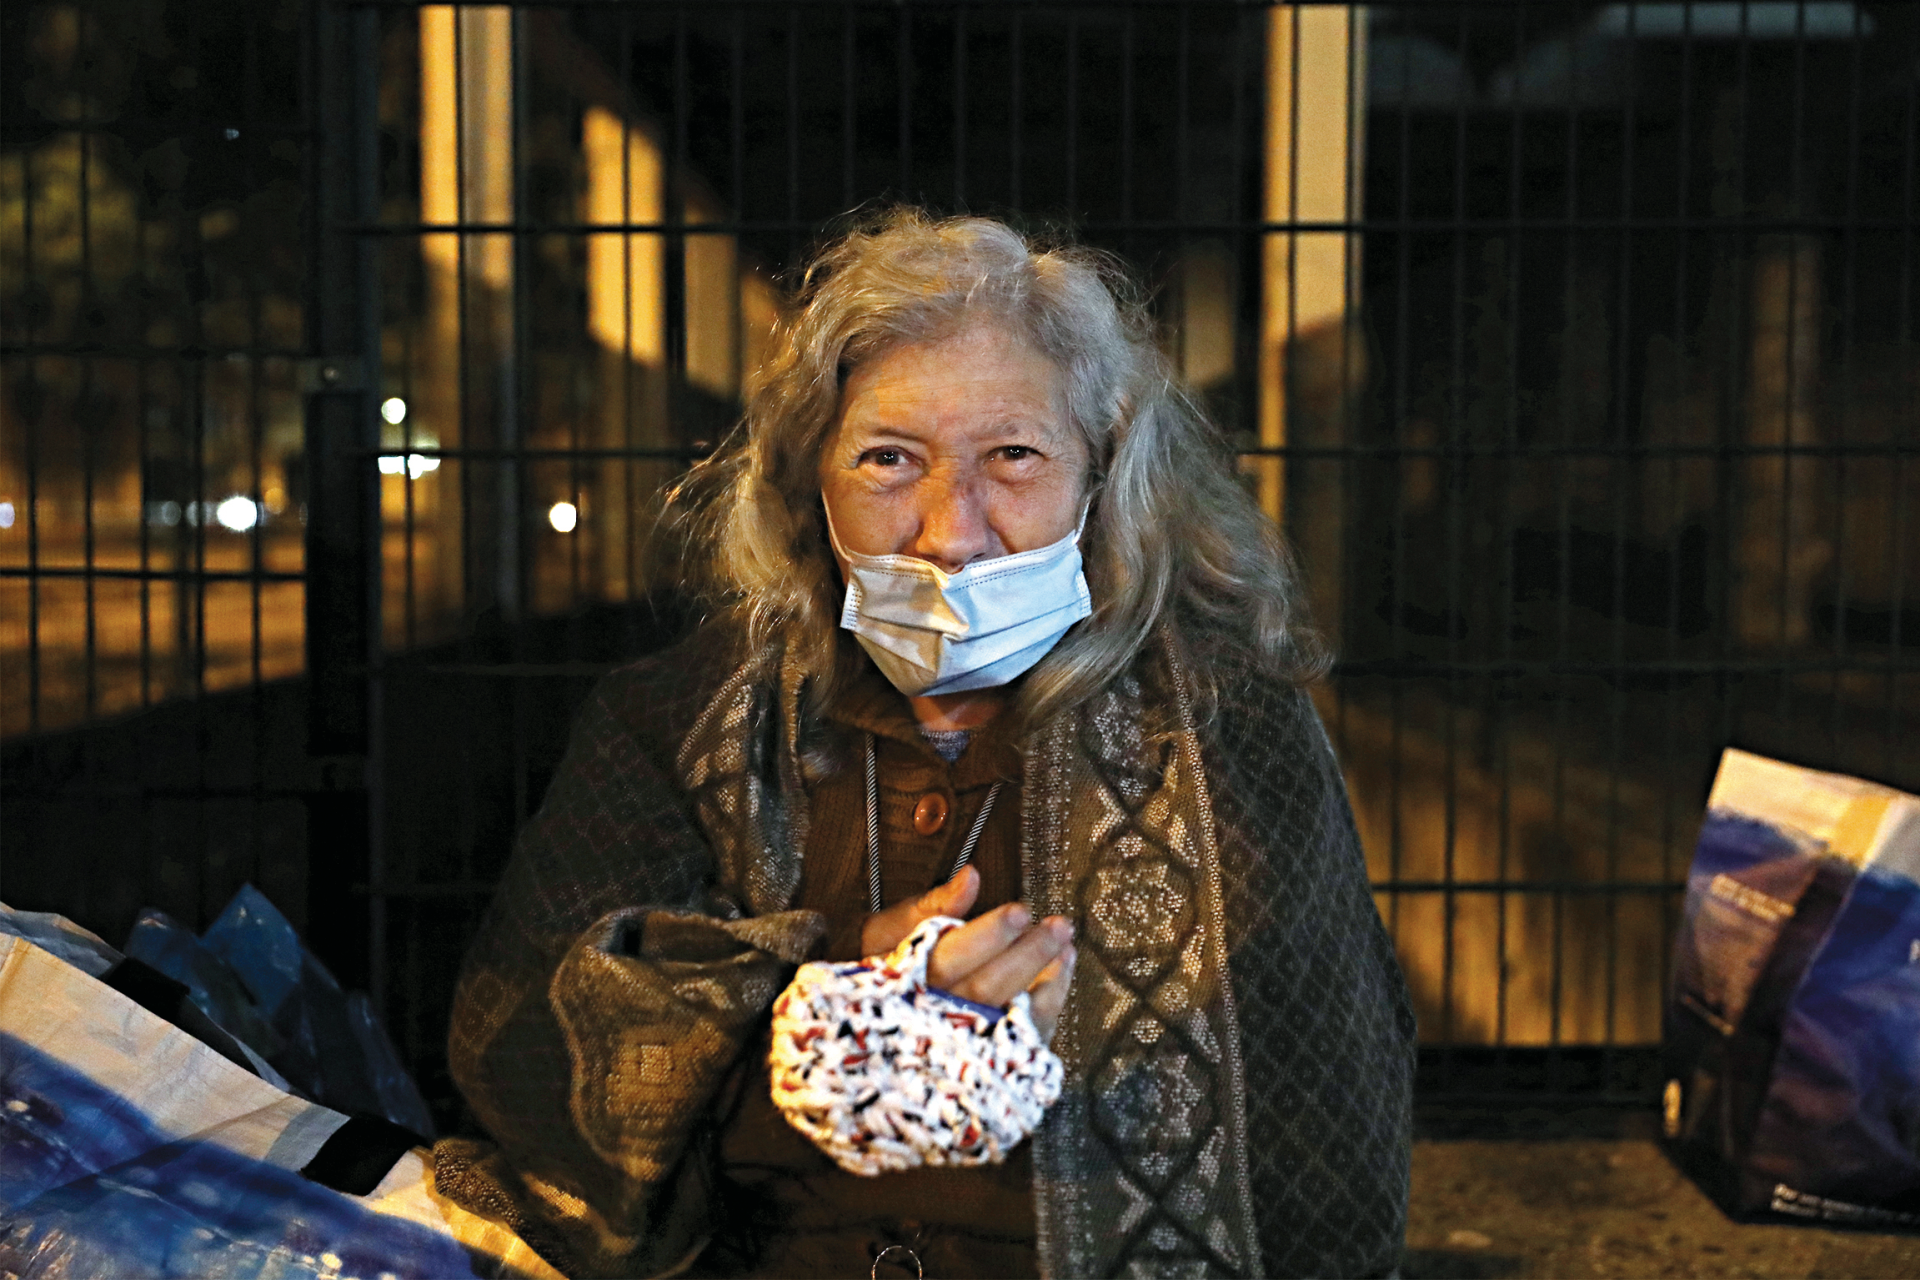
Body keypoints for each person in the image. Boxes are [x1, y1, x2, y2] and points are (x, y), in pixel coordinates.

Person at [435, 211, 1415, 1279]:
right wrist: (843, 1012)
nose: (952, 528)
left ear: (1101, 476)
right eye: (889, 458)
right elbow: (527, 1050)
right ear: (812, 481)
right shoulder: (675, 716)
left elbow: (1330, 1131)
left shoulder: (1234, 728)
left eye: (1014, 455)